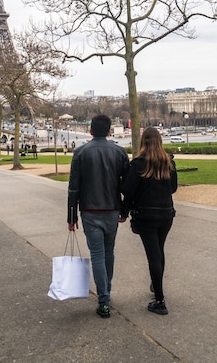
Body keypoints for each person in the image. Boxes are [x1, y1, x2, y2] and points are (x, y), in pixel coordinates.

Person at [67, 114, 129, 319]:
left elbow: (73, 187)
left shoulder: (80, 152)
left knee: (97, 255)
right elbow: (126, 186)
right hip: (111, 208)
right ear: (110, 130)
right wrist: (125, 210)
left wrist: (71, 216)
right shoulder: (119, 152)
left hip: (90, 210)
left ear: (90, 131)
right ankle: (106, 292)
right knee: (108, 252)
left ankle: (104, 299)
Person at [122, 127, 177, 315]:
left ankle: (160, 300)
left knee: (153, 255)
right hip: (166, 213)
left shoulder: (138, 164)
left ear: (143, 141)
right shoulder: (168, 162)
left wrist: (123, 211)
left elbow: (128, 191)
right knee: (159, 251)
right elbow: (173, 188)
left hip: (146, 214)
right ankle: (156, 284)